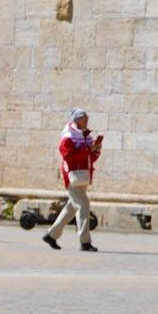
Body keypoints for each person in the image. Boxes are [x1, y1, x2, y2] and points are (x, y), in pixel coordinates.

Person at [42, 108, 102, 252]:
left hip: (83, 175)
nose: (86, 120)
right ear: (77, 119)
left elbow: (91, 158)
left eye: (87, 118)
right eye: (84, 118)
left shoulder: (86, 135)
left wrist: (95, 149)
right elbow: (68, 156)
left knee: (72, 207)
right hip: (72, 175)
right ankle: (85, 242)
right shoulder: (68, 136)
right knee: (83, 205)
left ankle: (51, 235)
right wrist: (88, 150)